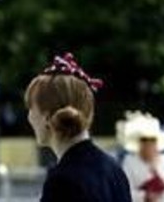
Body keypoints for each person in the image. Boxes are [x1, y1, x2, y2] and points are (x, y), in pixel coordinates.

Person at [25, 52, 131, 202]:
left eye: (31, 108)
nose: (29, 117)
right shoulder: (114, 169)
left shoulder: (62, 180)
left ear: (47, 117)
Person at [120, 112, 164, 202]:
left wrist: (155, 169)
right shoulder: (129, 161)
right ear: (139, 142)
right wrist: (145, 196)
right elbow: (125, 192)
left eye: (152, 140)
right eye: (144, 140)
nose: (148, 143)